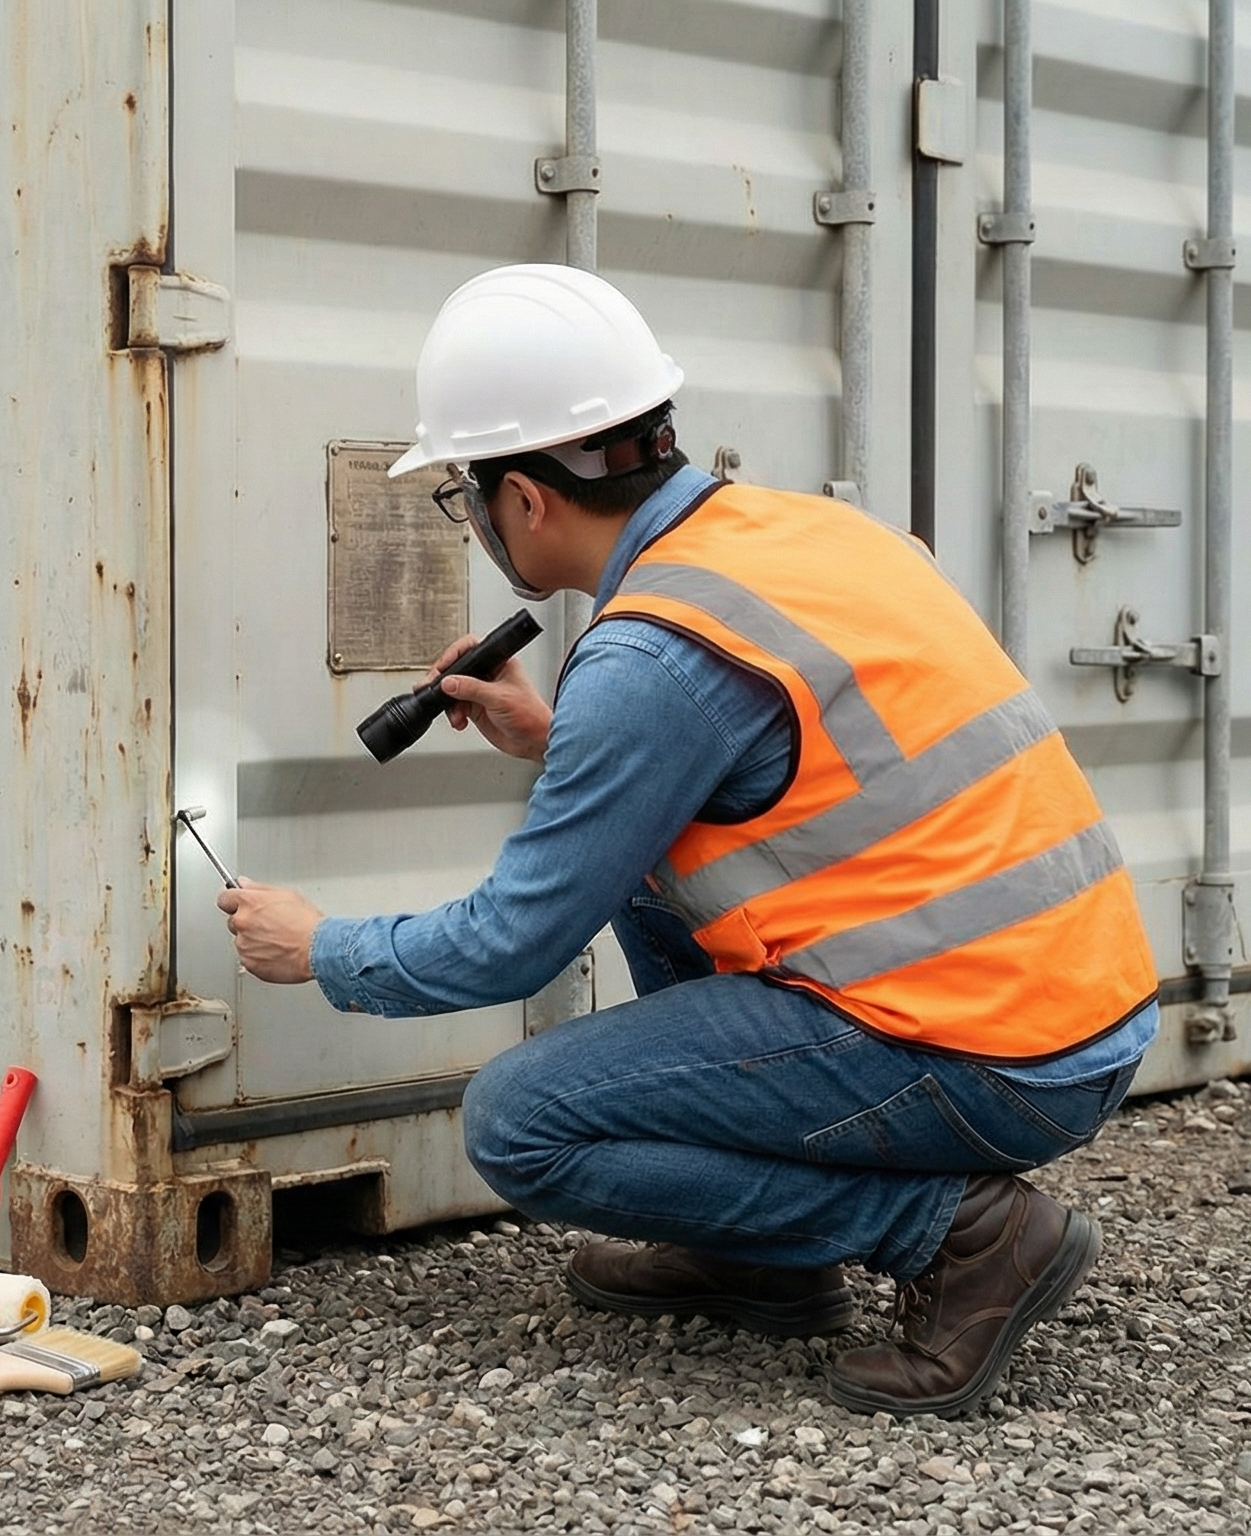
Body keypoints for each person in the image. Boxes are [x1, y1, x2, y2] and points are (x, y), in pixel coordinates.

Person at [218, 264, 1157, 1418]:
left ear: (524, 498)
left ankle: (963, 1237)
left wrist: (322, 947)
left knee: (522, 1124)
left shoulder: (653, 657)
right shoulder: (795, 532)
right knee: (644, 867)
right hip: (1075, 1010)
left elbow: (512, 944)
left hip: (993, 1062)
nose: (470, 520)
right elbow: (790, 785)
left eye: (464, 492)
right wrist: (560, 743)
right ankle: (762, 1257)